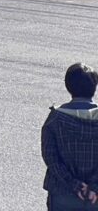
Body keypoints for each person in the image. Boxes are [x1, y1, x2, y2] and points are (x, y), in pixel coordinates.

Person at [42, 62, 98, 209]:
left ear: (68, 86)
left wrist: (75, 185)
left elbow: (51, 158)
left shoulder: (55, 119)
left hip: (62, 193)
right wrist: (94, 186)